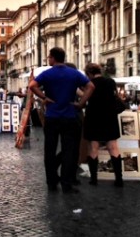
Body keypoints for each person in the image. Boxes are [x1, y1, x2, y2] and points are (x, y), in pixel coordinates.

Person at [29, 47, 95, 194]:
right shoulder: (74, 73)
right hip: (69, 116)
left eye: (49, 57)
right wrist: (81, 103)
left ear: (53, 58)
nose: (48, 60)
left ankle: (51, 182)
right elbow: (91, 86)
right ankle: (66, 184)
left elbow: (32, 86)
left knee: (50, 150)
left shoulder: (47, 73)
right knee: (68, 150)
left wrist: (44, 97)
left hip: (52, 116)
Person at [83, 63, 123, 187]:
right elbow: (116, 96)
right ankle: (119, 179)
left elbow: (85, 98)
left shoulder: (89, 84)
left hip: (93, 116)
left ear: (89, 73)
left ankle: (94, 179)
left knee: (93, 148)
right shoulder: (110, 81)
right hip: (109, 117)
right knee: (113, 147)